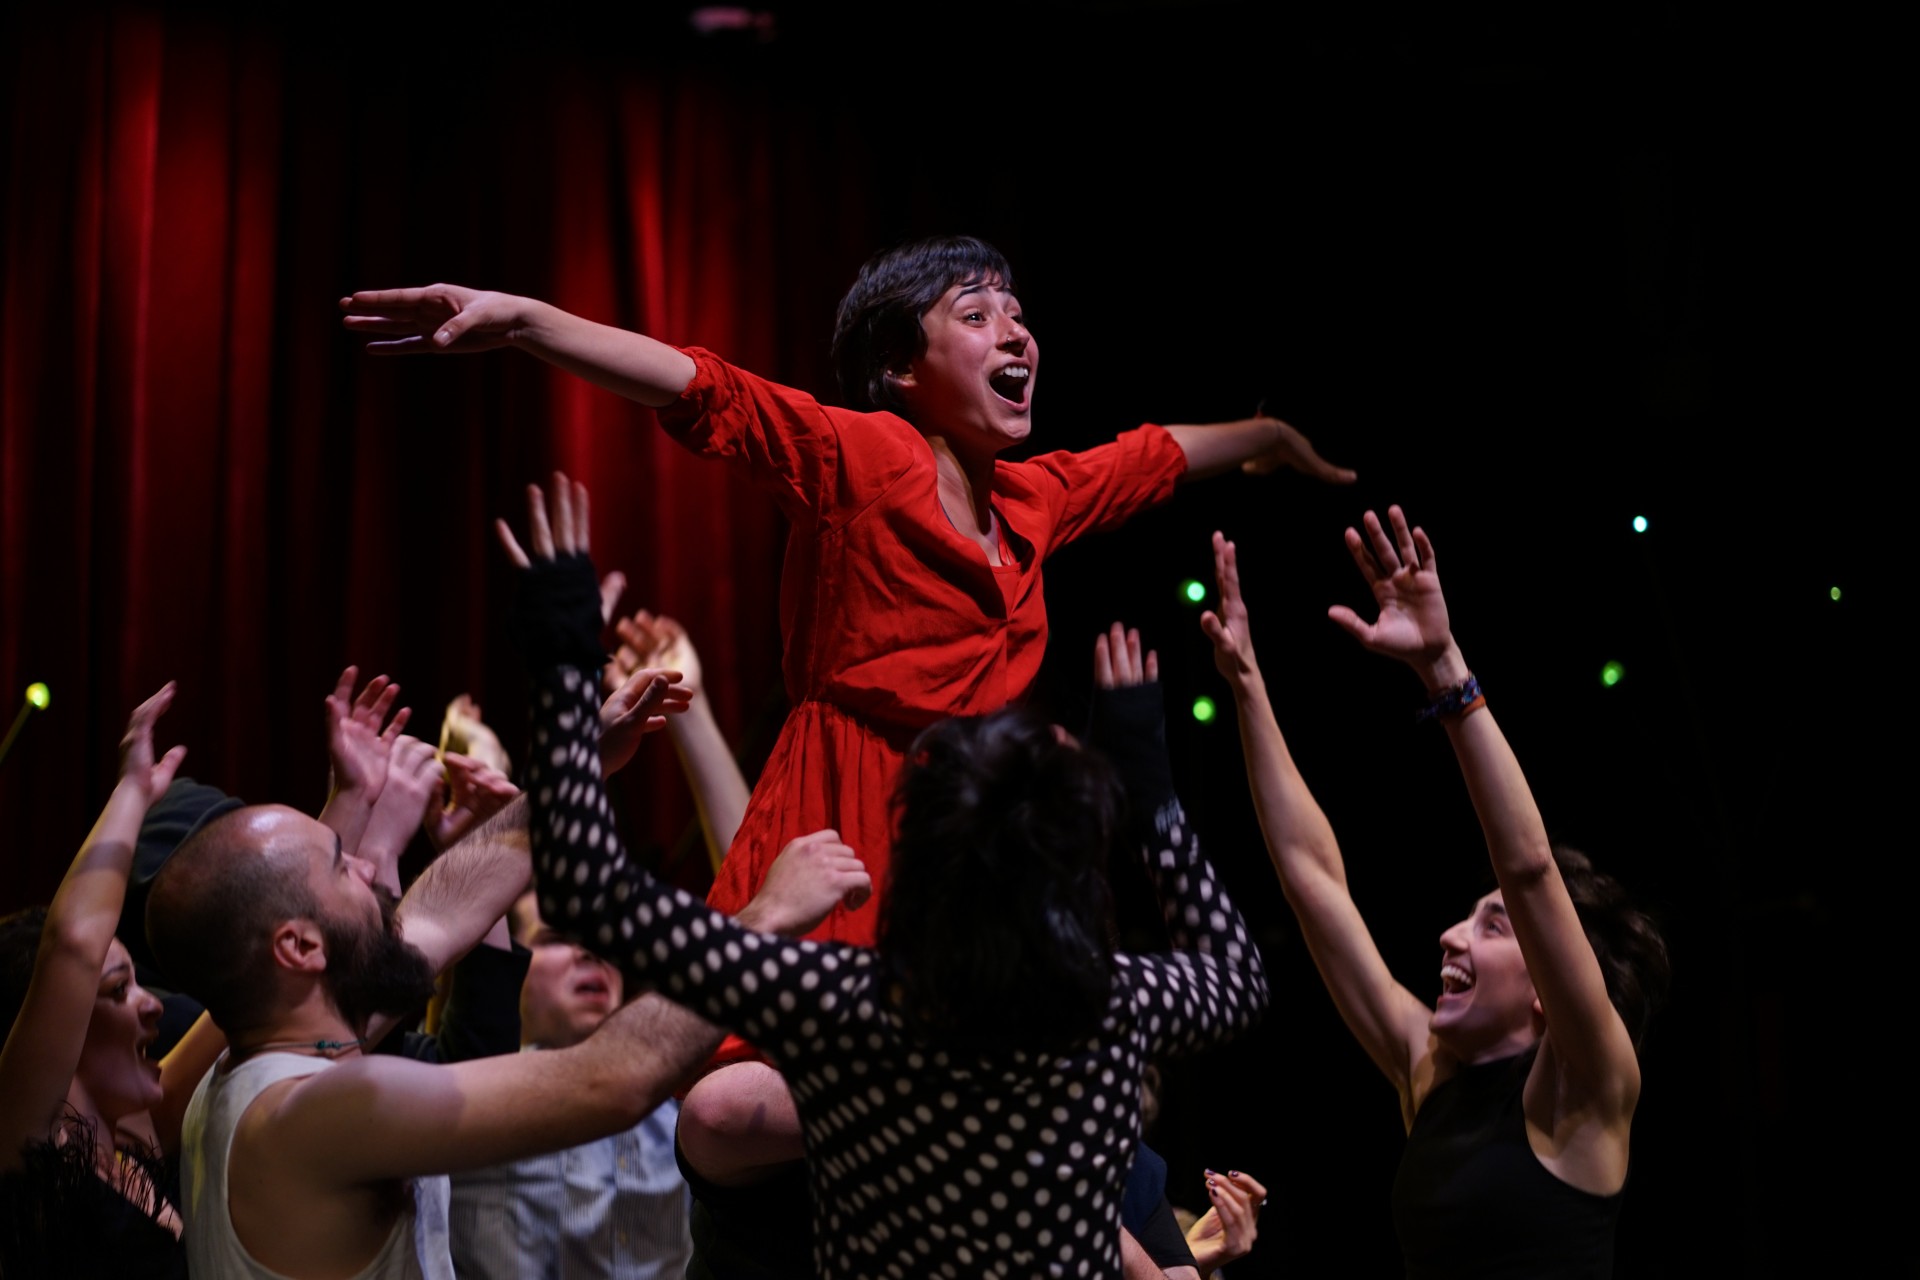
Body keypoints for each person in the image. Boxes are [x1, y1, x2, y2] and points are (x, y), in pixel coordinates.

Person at [500, 475, 1268, 1279]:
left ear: (918, 868)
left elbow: (581, 884)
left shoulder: (859, 1018)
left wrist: (562, 660)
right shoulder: (1107, 1010)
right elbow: (1238, 975)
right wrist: (1147, 792)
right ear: (1080, 886)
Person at [141, 707, 864, 1279]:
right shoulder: (312, 1112)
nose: (366, 869)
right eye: (339, 867)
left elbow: (437, 916)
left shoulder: (250, 1060)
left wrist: (577, 768)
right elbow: (608, 1078)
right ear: (299, 949)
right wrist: (761, 919)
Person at [1200, 510, 1670, 1278]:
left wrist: (1444, 666)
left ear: (1549, 989)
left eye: (1494, 928)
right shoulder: (1430, 1073)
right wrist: (1248, 685)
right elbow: (1311, 879)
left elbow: (1528, 870)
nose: (1452, 935)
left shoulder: (1587, 1089)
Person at [0, 684, 225, 1279]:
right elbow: (74, 943)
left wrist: (356, 808)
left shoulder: (134, 1134)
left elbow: (257, 989)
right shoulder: (23, 1145)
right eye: (118, 988)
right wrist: (131, 789)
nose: (153, 1004)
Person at [440, 891, 695, 1280]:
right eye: (557, 938)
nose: (591, 951)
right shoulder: (462, 1093)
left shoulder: (679, 1104)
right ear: (506, 966)